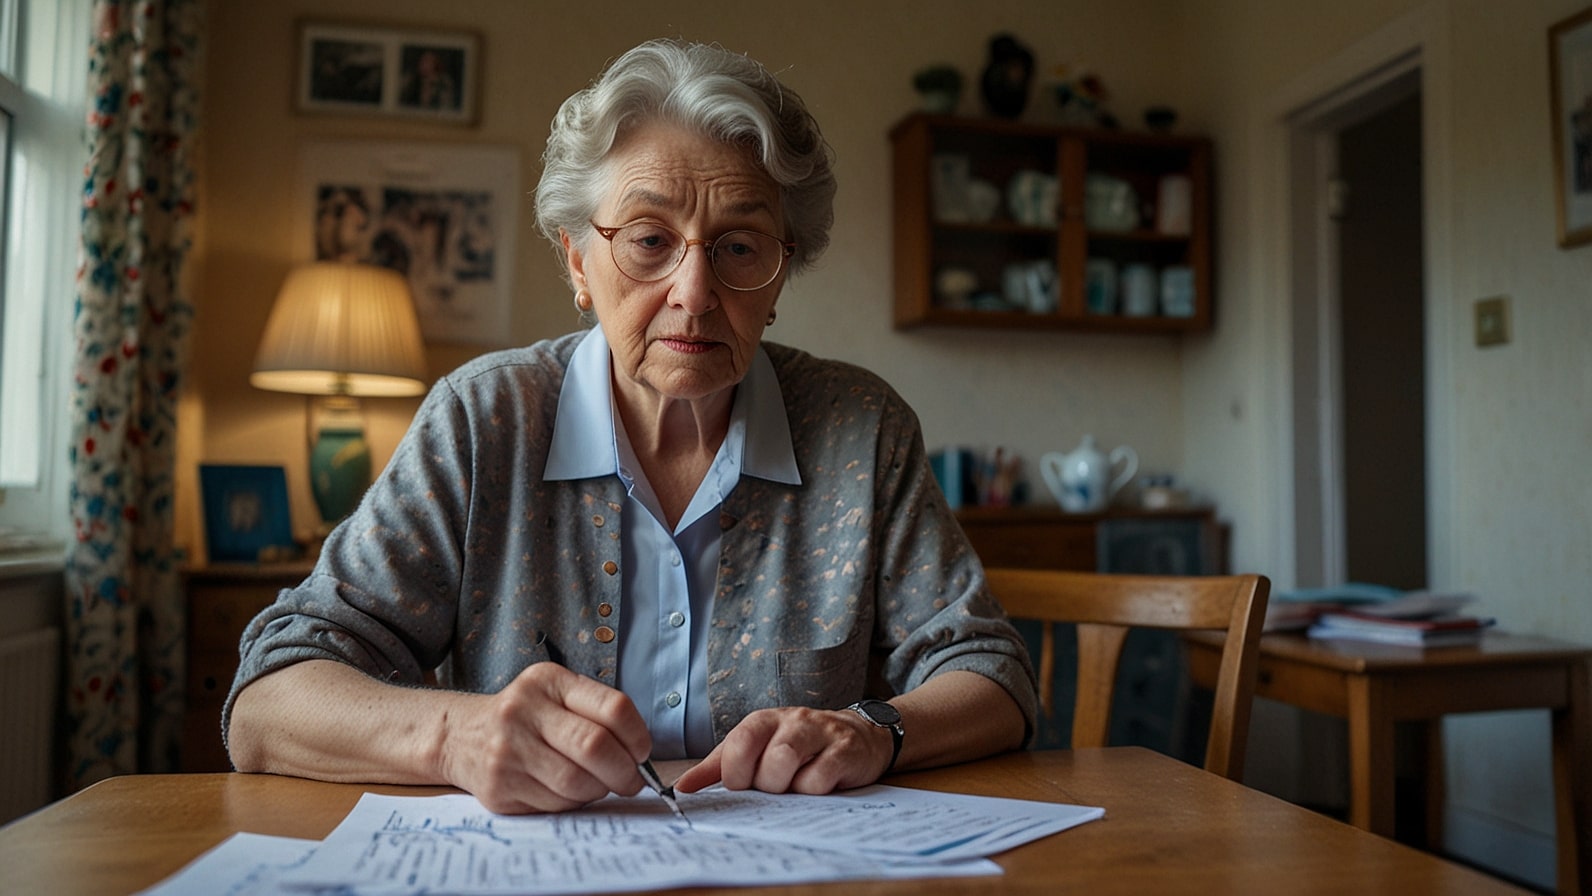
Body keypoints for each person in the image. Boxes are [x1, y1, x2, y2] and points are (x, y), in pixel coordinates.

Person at [225, 38, 1037, 815]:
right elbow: (270, 699)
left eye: (740, 247)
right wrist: (453, 734)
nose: (693, 290)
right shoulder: (485, 422)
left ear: (782, 269)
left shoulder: (862, 429)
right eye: (649, 240)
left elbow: (990, 672)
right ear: (578, 260)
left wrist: (877, 733)